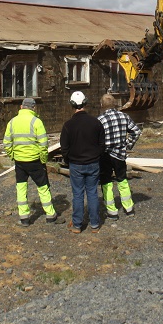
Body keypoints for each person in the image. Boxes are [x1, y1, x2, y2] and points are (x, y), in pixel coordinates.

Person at [3, 98, 62, 227]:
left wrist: (13, 155)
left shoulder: (12, 122)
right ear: (34, 108)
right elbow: (43, 143)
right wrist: (43, 158)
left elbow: (6, 143)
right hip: (35, 160)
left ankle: (24, 218)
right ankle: (50, 215)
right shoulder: (37, 122)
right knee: (43, 188)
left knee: (21, 188)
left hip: (19, 161)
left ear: (21, 107)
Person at [60, 91, 105, 234]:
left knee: (78, 194)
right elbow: (102, 145)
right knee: (92, 193)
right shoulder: (96, 122)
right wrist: (97, 157)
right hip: (93, 163)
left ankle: (77, 225)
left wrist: (68, 161)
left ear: (72, 104)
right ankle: (95, 224)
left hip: (76, 164)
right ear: (85, 103)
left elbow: (64, 148)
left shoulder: (68, 125)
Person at [97, 93, 141, 220]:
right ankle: (129, 208)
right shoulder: (124, 116)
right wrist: (127, 145)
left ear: (101, 105)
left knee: (106, 182)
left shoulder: (100, 120)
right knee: (122, 180)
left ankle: (112, 211)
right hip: (120, 154)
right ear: (115, 104)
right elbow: (136, 131)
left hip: (105, 155)